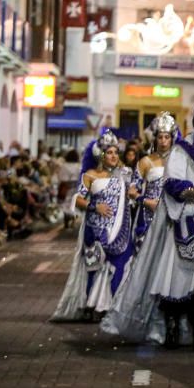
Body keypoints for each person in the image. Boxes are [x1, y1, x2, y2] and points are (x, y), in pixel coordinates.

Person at [102, 101, 194, 353]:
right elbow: (173, 185)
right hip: (187, 220)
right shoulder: (182, 151)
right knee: (178, 277)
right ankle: (172, 331)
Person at [52, 130, 137, 322]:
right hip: (96, 230)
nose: (114, 156)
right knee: (94, 268)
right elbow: (79, 199)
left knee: (120, 266)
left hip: (119, 231)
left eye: (116, 152)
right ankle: (91, 305)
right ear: (101, 154)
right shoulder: (89, 175)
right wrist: (94, 206)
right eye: (109, 152)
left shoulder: (126, 174)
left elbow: (135, 192)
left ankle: (112, 306)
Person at [133, 113, 178, 252]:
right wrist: (147, 202)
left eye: (167, 137)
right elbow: (132, 190)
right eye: (160, 137)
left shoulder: (179, 161)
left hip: (172, 215)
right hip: (148, 216)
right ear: (155, 139)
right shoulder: (145, 162)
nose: (163, 141)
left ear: (172, 139)